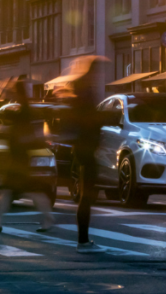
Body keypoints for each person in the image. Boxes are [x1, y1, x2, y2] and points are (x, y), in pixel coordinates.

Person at [0, 78, 54, 233]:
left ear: (18, 93)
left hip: (19, 159)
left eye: (14, 92)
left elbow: (17, 126)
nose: (13, 96)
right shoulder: (24, 109)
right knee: (24, 190)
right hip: (18, 158)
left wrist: (1, 129)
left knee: (14, 190)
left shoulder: (24, 110)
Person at [64, 55, 110, 254]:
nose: (100, 75)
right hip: (86, 148)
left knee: (86, 195)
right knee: (87, 195)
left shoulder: (81, 90)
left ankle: (83, 239)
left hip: (83, 148)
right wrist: (105, 118)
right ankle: (82, 241)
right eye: (99, 71)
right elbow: (88, 120)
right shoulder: (85, 93)